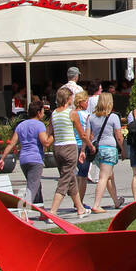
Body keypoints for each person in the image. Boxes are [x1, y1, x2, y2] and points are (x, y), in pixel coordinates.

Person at [0, 99, 54, 211]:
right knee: (32, 187)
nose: (43, 113)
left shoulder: (21, 125)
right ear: (38, 112)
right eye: (42, 111)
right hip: (35, 159)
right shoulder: (39, 125)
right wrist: (54, 135)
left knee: (36, 185)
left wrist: (2, 158)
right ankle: (23, 213)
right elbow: (46, 143)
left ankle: (42, 211)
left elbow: (12, 143)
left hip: (23, 160)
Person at [48, 87, 90, 218]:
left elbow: (49, 132)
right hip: (69, 147)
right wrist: (90, 145)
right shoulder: (71, 113)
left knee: (70, 178)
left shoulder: (54, 113)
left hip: (57, 148)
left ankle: (80, 208)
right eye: (71, 97)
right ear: (67, 99)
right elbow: (82, 133)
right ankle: (53, 211)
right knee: (65, 179)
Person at [86, 92, 125, 212]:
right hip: (109, 149)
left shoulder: (91, 117)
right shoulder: (113, 117)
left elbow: (87, 136)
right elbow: (118, 136)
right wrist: (123, 149)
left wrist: (86, 149)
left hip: (97, 150)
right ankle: (96, 204)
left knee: (109, 176)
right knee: (104, 177)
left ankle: (116, 201)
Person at [73, 91, 95, 207]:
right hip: (83, 145)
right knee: (83, 175)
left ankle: (76, 200)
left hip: (72, 145)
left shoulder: (71, 114)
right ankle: (80, 202)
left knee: (76, 174)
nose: (87, 103)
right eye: (86, 101)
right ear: (80, 102)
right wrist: (89, 146)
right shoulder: (85, 115)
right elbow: (87, 133)